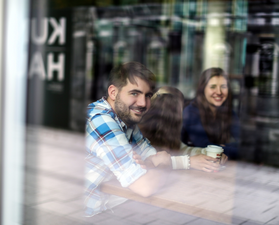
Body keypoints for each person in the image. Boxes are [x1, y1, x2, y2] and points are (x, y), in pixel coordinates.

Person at [84, 62, 171, 217]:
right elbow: (145, 186)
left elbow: (150, 156)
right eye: (134, 93)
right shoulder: (102, 121)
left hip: (119, 206)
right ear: (113, 92)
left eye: (148, 95)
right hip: (97, 216)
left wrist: (150, 164)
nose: (143, 103)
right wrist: (164, 166)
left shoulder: (126, 119)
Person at [137, 86, 226, 172]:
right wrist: (189, 162)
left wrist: (208, 154)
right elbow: (152, 161)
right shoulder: (137, 136)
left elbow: (183, 150)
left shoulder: (167, 136)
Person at [181, 67, 240, 159]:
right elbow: (205, 148)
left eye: (223, 87)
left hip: (217, 166)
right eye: (213, 87)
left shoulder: (228, 112)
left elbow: (245, 144)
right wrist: (227, 147)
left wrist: (223, 147)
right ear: (203, 88)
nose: (219, 92)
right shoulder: (191, 112)